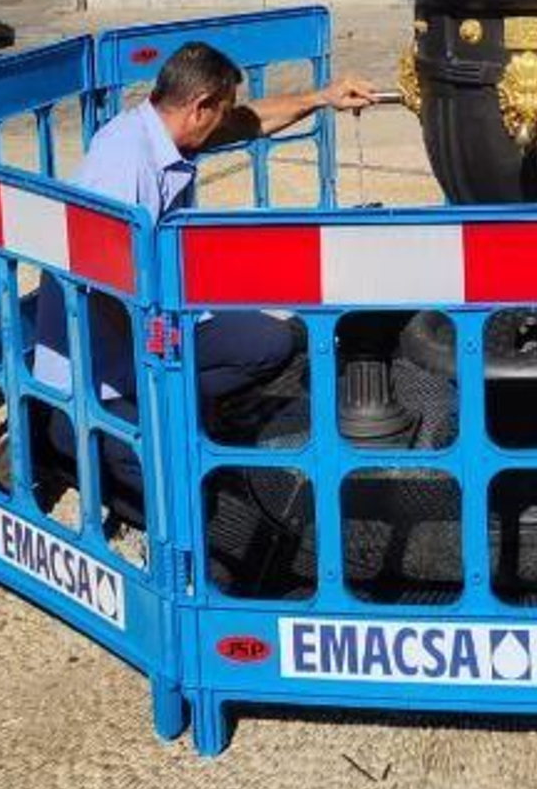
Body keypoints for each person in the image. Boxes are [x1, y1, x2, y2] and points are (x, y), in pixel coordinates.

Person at [22, 42, 375, 522]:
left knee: (270, 343)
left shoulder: (166, 130)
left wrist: (322, 98)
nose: (226, 122)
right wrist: (159, 354)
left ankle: (173, 409)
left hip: (155, 318)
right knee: (181, 493)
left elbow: (248, 122)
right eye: (221, 110)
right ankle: (78, 448)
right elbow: (97, 287)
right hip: (101, 359)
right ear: (200, 106)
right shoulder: (123, 166)